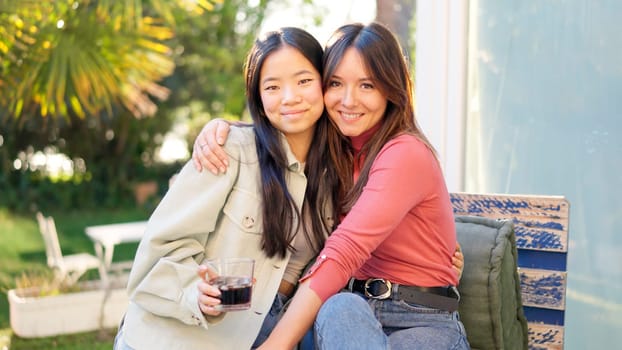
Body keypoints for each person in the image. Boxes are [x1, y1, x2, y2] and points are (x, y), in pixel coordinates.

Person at [193, 22, 470, 350]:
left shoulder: (405, 152)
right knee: (340, 307)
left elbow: (344, 250)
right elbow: (286, 125)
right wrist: (223, 129)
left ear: (391, 88)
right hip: (350, 314)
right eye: (336, 83)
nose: (348, 100)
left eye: (367, 85)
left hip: (422, 318)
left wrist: (276, 345)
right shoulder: (334, 150)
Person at [113, 27, 341, 350]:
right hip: (174, 339)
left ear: (325, 82)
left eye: (303, 81)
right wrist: (194, 291)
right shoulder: (227, 150)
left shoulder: (336, 176)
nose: (290, 97)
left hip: (264, 334)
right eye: (273, 86)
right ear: (259, 99)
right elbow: (154, 256)